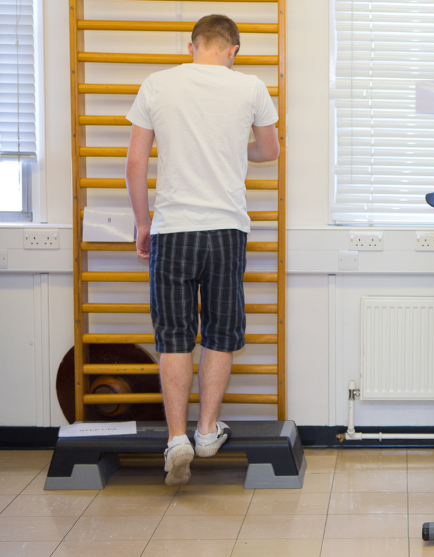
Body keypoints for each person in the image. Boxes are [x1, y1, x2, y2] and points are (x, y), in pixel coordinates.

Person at [124, 14, 280, 486]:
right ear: (232, 50)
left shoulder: (157, 84)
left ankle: (176, 439)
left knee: (173, 335)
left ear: (192, 46)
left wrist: (143, 224)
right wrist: (236, 149)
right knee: (219, 330)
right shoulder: (250, 87)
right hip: (225, 230)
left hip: (173, 230)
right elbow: (269, 151)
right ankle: (207, 430)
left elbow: (134, 164)